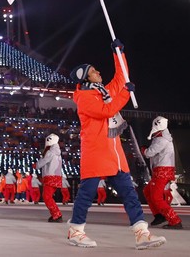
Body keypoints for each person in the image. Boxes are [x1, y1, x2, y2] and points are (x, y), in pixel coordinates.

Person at [67, 39, 166, 249]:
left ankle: (142, 233)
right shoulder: (84, 97)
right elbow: (107, 111)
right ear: (85, 77)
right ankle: (76, 231)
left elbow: (122, 77)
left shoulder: (103, 92)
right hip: (96, 151)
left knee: (129, 192)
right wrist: (124, 94)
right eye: (93, 71)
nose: (98, 72)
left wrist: (118, 53)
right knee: (87, 193)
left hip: (114, 152)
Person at [142, 116, 183, 229]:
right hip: (161, 170)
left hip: (162, 171)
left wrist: (143, 150)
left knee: (156, 197)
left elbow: (149, 153)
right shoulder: (161, 137)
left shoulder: (161, 139)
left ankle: (175, 221)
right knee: (147, 191)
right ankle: (159, 215)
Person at [35, 133, 63, 222]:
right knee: (48, 196)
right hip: (57, 177)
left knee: (47, 196)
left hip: (50, 177)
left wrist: (36, 165)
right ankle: (55, 214)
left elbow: (44, 161)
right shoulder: (57, 153)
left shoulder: (50, 152)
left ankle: (57, 214)